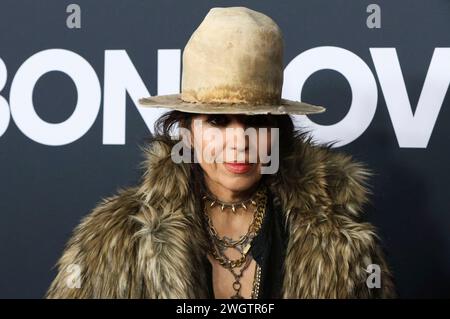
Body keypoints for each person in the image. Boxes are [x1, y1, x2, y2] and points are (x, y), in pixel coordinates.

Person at [46, 6, 395, 299]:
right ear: (188, 132)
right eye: (217, 120)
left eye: (256, 123)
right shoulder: (118, 237)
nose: (239, 140)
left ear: (278, 133)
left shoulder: (339, 239)